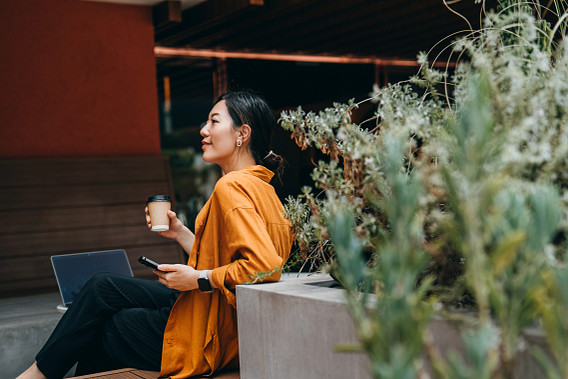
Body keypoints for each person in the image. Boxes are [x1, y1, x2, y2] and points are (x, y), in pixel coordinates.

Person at [17, 90, 294, 379]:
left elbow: (264, 268)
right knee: (102, 287)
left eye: (214, 121)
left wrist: (198, 279)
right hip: (220, 319)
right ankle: (38, 373)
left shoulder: (231, 187)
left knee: (105, 326)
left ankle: (37, 375)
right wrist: (182, 234)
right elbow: (235, 255)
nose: (203, 130)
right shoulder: (265, 189)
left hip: (208, 331)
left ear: (243, 133)